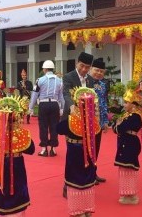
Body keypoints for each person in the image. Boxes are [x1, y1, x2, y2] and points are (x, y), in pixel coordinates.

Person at [0, 96, 35, 216]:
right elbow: (31, 149)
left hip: (0, 165)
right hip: (17, 166)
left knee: (0, 191)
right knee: (17, 192)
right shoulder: (22, 134)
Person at [57, 87, 99, 217]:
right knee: (87, 181)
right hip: (89, 152)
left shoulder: (71, 120)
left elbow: (58, 129)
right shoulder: (93, 121)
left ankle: (77, 211)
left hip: (75, 153)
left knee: (75, 181)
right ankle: (87, 209)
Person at [61, 51, 94, 198]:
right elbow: (66, 94)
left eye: (87, 67)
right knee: (72, 153)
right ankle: (67, 184)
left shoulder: (91, 80)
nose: (84, 70)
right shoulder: (69, 77)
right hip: (71, 119)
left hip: (87, 122)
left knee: (85, 152)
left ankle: (82, 181)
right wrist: (71, 106)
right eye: (82, 66)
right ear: (77, 63)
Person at [112, 89, 142, 205]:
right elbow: (117, 127)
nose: (124, 104)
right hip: (127, 142)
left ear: (133, 104)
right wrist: (117, 126)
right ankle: (127, 193)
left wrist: (118, 125)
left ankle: (131, 194)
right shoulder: (129, 115)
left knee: (129, 169)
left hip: (129, 143)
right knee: (125, 169)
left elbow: (120, 128)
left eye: (126, 102)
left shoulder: (135, 116)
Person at [29, 60, 64, 157]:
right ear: (53, 69)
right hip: (55, 105)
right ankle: (53, 149)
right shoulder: (60, 81)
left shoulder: (39, 80)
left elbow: (34, 95)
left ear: (44, 69)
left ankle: (44, 149)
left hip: (43, 105)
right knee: (54, 126)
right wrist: (62, 108)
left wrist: (31, 108)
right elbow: (61, 97)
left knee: (43, 126)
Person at [89, 58, 108, 184]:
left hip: (99, 122)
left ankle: (93, 173)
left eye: (101, 71)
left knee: (96, 148)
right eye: (97, 70)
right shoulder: (86, 83)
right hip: (88, 122)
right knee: (89, 149)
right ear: (91, 69)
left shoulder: (103, 85)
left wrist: (105, 121)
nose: (99, 73)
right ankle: (88, 175)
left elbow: (105, 103)